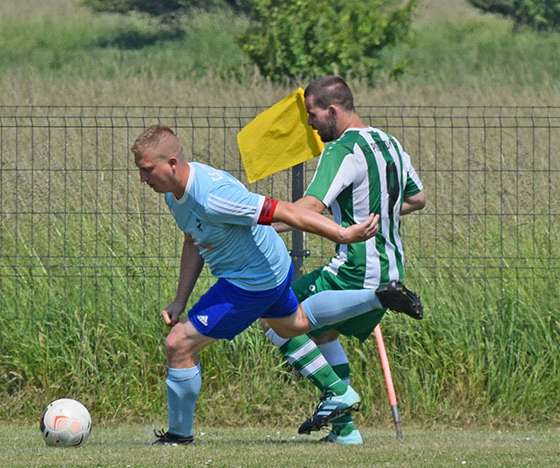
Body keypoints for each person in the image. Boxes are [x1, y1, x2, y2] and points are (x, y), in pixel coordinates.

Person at [131, 124, 422, 445]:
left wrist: (342, 234)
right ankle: (377, 300)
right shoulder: (175, 192)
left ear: (172, 163)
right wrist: (179, 300)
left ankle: (179, 436)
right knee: (290, 325)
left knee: (179, 344)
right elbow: (193, 240)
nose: (143, 179)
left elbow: (287, 211)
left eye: (147, 171)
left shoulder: (214, 196)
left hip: (249, 281)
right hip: (271, 269)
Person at [263, 75, 426, 445]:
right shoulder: (390, 142)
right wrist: (379, 208)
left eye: (313, 114)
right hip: (391, 267)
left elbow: (311, 207)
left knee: (272, 314)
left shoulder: (340, 149)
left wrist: (260, 225)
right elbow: (418, 199)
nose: (309, 123)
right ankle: (344, 431)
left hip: (356, 268)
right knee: (323, 332)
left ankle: (338, 393)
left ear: (333, 111)